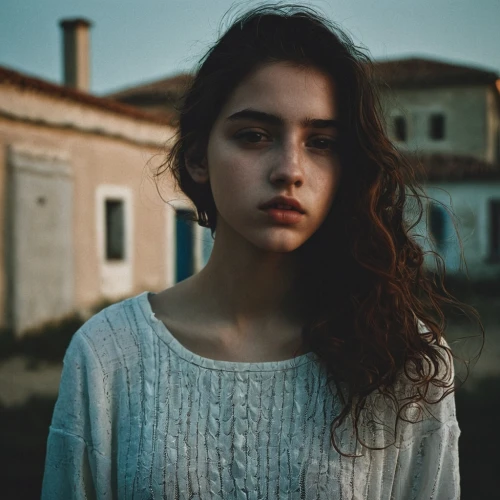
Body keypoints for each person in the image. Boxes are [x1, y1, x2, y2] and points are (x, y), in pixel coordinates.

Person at [42, 4, 478, 499]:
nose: (289, 169)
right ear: (197, 157)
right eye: (254, 136)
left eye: (321, 142)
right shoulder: (108, 355)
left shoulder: (404, 363)